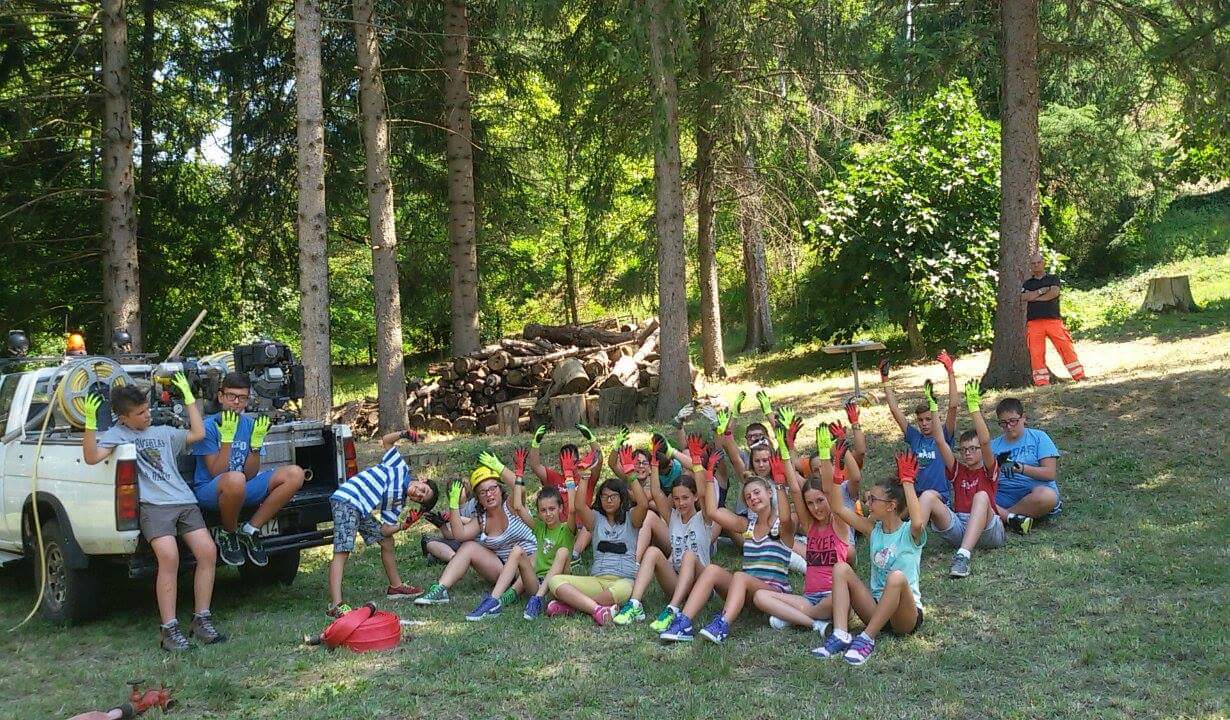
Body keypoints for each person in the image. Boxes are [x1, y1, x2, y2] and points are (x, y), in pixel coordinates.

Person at [82, 376, 225, 651]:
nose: (147, 415)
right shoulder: (117, 435)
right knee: (169, 557)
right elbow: (91, 457)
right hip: (154, 506)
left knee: (208, 552)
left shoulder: (163, 432)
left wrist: (189, 399)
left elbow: (198, 434)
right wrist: (90, 423)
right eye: (140, 413)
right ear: (123, 418)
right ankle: (169, 630)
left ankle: (201, 619)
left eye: (147, 409)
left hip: (183, 500)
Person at [661, 429, 795, 644]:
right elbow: (713, 512)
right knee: (712, 570)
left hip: (773, 594)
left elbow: (787, 516)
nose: (752, 498)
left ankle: (722, 625)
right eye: (748, 496)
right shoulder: (747, 525)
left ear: (769, 493)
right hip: (746, 594)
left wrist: (779, 482)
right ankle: (683, 622)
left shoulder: (783, 526)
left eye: (757, 493)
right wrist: (707, 475)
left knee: (740, 576)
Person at [813, 444, 926, 666]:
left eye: (873, 499)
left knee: (896, 577)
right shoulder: (872, 530)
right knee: (841, 568)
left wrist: (907, 482)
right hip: (875, 609)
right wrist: (837, 472)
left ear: (891, 506)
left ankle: (866, 639)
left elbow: (918, 521)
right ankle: (841, 634)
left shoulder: (910, 533)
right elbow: (838, 508)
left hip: (904, 616)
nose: (868, 502)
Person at [190, 372, 306, 567]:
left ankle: (250, 530)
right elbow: (216, 473)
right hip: (211, 491)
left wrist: (255, 446)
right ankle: (229, 533)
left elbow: (250, 474)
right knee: (235, 479)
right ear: (221, 396)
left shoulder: (250, 424)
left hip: (241, 486)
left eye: (242, 398)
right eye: (232, 396)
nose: (237, 402)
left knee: (295, 474)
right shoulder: (208, 427)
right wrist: (226, 441)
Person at [326, 430, 439, 616]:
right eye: (423, 490)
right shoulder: (400, 467)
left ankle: (396, 587)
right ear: (422, 480)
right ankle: (336, 605)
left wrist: (403, 526)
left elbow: (385, 531)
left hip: (361, 509)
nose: (418, 493)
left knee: (387, 542)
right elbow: (386, 441)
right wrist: (404, 434)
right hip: (348, 499)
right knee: (343, 549)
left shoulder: (398, 503)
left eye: (420, 498)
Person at [611, 439, 719, 631]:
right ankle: (635, 604)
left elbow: (704, 493)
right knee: (652, 552)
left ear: (694, 497)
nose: (680, 503)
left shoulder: (704, 518)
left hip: (701, 584)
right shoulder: (673, 517)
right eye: (676, 499)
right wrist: (653, 462)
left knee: (689, 555)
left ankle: (673, 609)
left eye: (685, 498)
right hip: (677, 582)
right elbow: (656, 492)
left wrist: (696, 465)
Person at [754, 428, 852, 636]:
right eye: (810, 503)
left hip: (833, 597)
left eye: (820, 501)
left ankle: (794, 616)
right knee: (760, 596)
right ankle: (812, 621)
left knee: (835, 601)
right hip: (809, 598)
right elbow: (796, 491)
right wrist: (784, 460)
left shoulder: (839, 523)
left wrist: (825, 455)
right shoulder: (810, 527)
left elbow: (829, 489)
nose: (816, 507)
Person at [544, 446, 650, 625]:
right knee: (555, 581)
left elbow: (644, 505)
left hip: (623, 581)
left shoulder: (632, 519)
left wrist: (631, 475)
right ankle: (597, 609)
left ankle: (573, 606)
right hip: (597, 581)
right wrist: (584, 476)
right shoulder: (595, 519)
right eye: (604, 496)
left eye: (613, 496)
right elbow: (579, 506)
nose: (608, 500)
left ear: (622, 498)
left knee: (621, 591)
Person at [467, 448, 576, 621]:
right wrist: (518, 473)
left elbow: (574, 510)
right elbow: (518, 507)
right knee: (517, 550)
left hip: (558, 585)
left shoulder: (567, 529)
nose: (548, 514)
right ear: (538, 513)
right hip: (536, 584)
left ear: (560, 508)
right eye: (543, 510)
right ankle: (493, 601)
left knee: (562, 552)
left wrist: (569, 477)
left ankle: (538, 599)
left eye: (552, 509)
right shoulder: (539, 528)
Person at [414, 457, 538, 607]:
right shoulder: (481, 519)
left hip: (531, 565)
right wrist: (453, 505)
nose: (489, 495)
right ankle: (440, 589)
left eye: (492, 489)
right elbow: (460, 535)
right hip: (502, 570)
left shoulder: (512, 505)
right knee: (468, 546)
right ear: (478, 498)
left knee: (535, 556)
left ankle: (511, 594)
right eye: (483, 492)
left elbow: (521, 490)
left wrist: (499, 468)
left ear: (500, 489)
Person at [914, 380, 1004, 578]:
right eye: (963, 450)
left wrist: (974, 407)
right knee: (927, 496)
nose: (967, 453)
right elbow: (940, 441)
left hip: (989, 530)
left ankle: (963, 557)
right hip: (961, 527)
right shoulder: (958, 471)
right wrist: (934, 408)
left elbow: (985, 441)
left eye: (972, 449)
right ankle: (909, 550)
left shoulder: (989, 469)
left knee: (981, 496)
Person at [882, 352, 958, 502]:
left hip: (940, 498)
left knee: (927, 500)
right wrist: (885, 379)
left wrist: (950, 372)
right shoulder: (915, 437)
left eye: (928, 419)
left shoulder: (944, 435)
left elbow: (953, 406)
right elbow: (895, 410)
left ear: (935, 418)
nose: (924, 423)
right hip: (916, 497)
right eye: (920, 420)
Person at [527, 423, 600, 563]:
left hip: (582, 529)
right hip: (559, 528)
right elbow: (535, 466)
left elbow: (598, 459)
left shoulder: (586, 477)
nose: (567, 464)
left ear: (578, 461)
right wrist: (536, 443)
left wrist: (591, 439)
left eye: (572, 461)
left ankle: (574, 555)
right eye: (563, 461)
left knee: (591, 522)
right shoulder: (554, 478)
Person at [990, 397, 1061, 532]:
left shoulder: (1039, 437)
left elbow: (1049, 473)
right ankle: (1013, 519)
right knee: (977, 497)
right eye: (1003, 423)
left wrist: (1019, 468)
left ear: (1023, 418)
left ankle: (1003, 517)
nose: (1008, 427)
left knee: (1047, 497)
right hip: (1004, 494)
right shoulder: (993, 446)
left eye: (1013, 421)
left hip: (1034, 492)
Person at [1023, 251, 1085, 386]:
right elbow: (1024, 297)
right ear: (1030, 266)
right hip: (1034, 323)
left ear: (1044, 263)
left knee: (1065, 347)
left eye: (1039, 262)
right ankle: (1041, 382)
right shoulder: (1027, 283)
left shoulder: (1053, 278)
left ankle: (1079, 376)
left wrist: (1035, 297)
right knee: (1036, 353)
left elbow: (1054, 293)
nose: (1036, 265)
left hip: (1053, 320)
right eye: (1033, 263)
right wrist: (1041, 291)